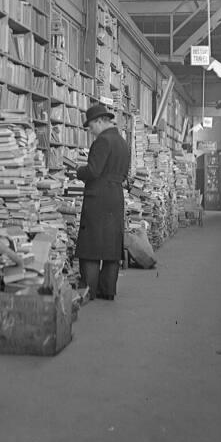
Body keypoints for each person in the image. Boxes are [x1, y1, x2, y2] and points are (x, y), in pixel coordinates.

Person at [75, 103, 130, 300]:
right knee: (111, 246)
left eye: (91, 127)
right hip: (116, 196)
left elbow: (93, 171)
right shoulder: (122, 142)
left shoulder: (102, 141)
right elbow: (124, 174)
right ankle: (108, 290)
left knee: (90, 246)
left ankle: (90, 289)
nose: (90, 132)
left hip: (98, 198)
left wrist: (78, 170)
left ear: (99, 121)